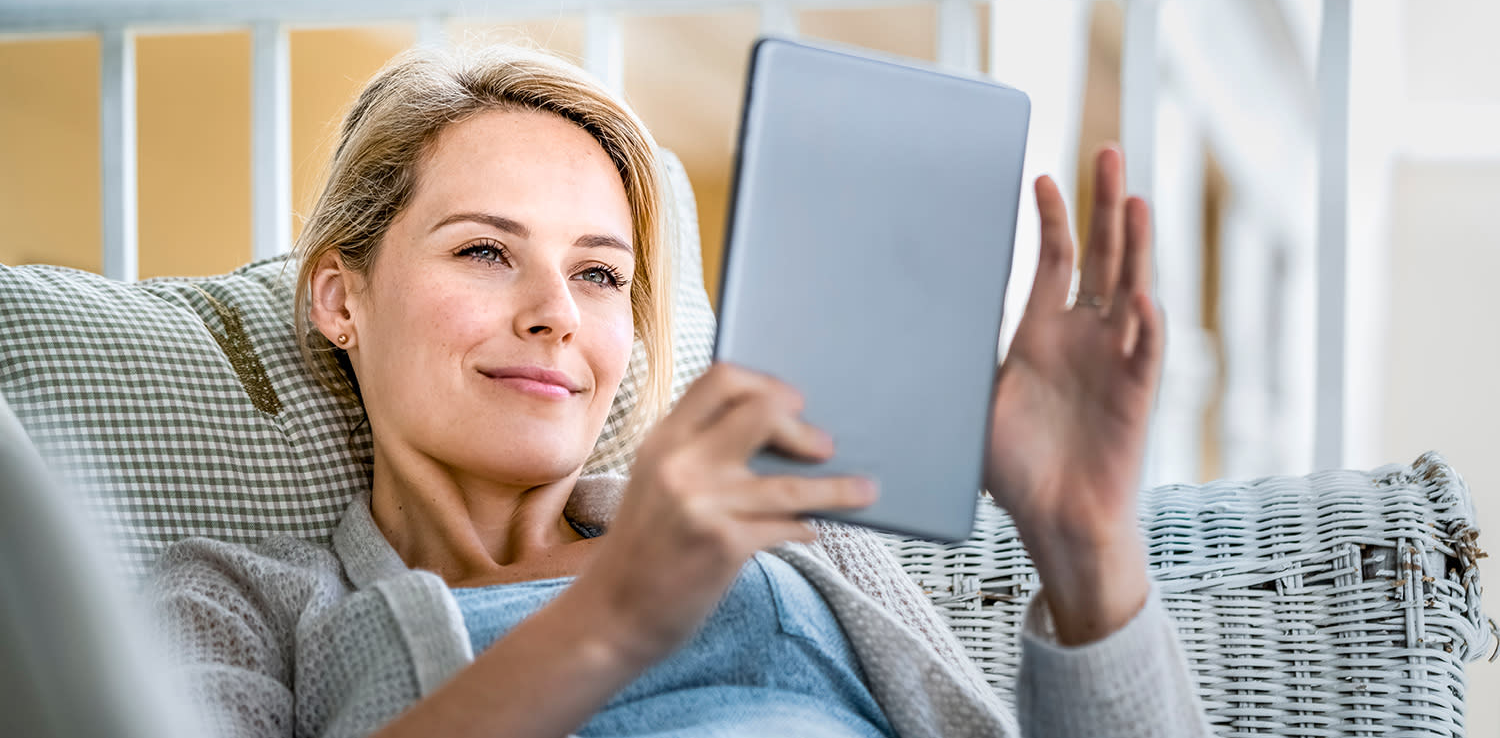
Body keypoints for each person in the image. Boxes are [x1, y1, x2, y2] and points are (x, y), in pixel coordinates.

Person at [148, 44, 1212, 738]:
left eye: (599, 274)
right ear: (341, 296)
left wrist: (1087, 544)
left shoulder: (790, 526)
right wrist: (615, 616)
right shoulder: (243, 603)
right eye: (484, 250)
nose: (555, 311)